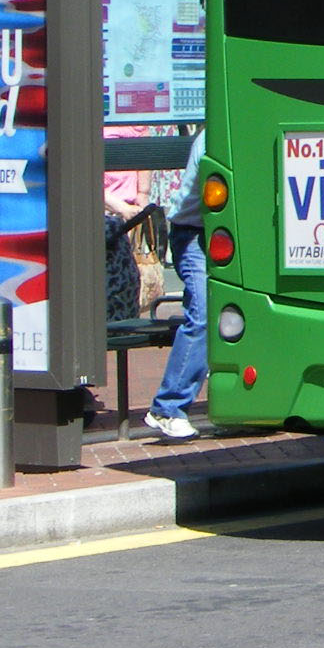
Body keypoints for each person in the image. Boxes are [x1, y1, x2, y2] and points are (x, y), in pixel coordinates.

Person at [146, 128, 209, 442]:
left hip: (218, 232)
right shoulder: (213, 137)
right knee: (203, 315)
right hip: (193, 234)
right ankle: (167, 408)